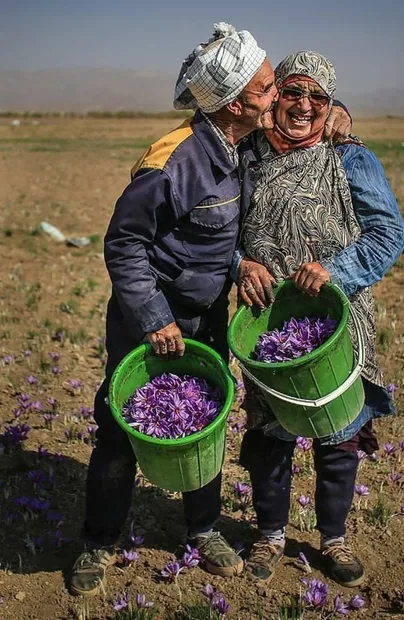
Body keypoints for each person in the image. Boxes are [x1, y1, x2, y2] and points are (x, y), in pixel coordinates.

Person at [69, 22, 280, 596]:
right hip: (151, 320)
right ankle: (98, 538)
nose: (276, 94)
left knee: (203, 423)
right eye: (266, 88)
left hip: (204, 315)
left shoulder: (236, 147)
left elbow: (207, 234)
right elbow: (125, 243)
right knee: (119, 427)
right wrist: (153, 317)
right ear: (237, 103)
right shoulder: (175, 161)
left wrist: (239, 265)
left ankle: (203, 528)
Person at [233, 51, 404, 587]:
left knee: (337, 433)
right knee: (270, 432)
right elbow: (215, 227)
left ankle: (334, 537)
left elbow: (387, 234)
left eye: (318, 97)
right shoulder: (245, 155)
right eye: (292, 92)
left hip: (339, 320)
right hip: (268, 323)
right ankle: (269, 536)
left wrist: (335, 269)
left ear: (331, 104)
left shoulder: (351, 158)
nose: (304, 106)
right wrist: (239, 263)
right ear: (274, 95)